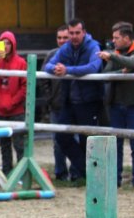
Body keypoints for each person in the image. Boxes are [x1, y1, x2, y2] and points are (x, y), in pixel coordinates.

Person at [44, 18, 103, 181]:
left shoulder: (93, 46)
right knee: (62, 136)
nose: (74, 36)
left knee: (87, 140)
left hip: (88, 101)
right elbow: (48, 65)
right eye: (71, 33)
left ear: (84, 32)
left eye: (77, 33)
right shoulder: (67, 48)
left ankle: (88, 174)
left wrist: (67, 70)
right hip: (69, 101)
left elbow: (94, 67)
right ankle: (85, 171)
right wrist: (56, 68)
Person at [98, 21, 134, 188]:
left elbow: (133, 63)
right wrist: (121, 72)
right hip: (117, 104)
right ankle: (115, 180)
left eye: (116, 38)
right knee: (116, 144)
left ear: (127, 38)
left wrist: (112, 57)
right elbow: (107, 74)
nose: (113, 41)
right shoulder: (117, 52)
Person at [0, 31, 27, 174]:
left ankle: (22, 174)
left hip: (16, 110)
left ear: (13, 45)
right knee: (4, 146)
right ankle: (6, 173)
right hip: (0, 110)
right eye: (2, 43)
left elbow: (24, 87)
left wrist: (13, 102)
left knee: (19, 145)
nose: (5, 46)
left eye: (8, 43)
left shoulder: (21, 63)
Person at [42, 25, 75, 181]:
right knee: (57, 142)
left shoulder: (76, 54)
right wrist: (50, 97)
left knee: (75, 139)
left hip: (74, 104)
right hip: (56, 105)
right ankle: (60, 173)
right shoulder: (51, 55)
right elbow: (43, 78)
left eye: (65, 37)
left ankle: (76, 173)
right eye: (59, 38)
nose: (61, 41)